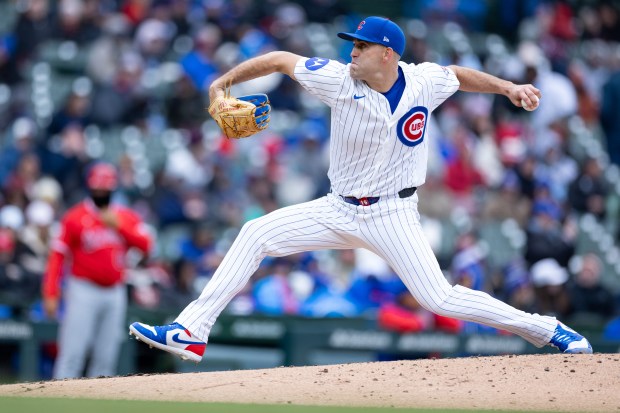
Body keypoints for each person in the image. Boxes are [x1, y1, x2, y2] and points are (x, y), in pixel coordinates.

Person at [130, 16, 592, 362]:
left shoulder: (423, 82)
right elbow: (278, 60)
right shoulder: (336, 79)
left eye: (361, 46)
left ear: (387, 54)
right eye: (351, 44)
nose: (351, 52)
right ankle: (192, 329)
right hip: (338, 208)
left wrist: (508, 87)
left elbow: (457, 73)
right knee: (254, 234)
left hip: (394, 214)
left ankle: (545, 329)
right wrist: (223, 81)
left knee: (439, 299)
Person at [43, 162, 153, 379]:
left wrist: (119, 226)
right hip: (83, 289)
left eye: (106, 189)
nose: (102, 192)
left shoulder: (124, 216)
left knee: (106, 358)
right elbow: (57, 256)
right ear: (90, 187)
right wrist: (51, 291)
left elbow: (147, 245)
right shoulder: (75, 217)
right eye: (98, 188)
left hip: (114, 291)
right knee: (73, 353)